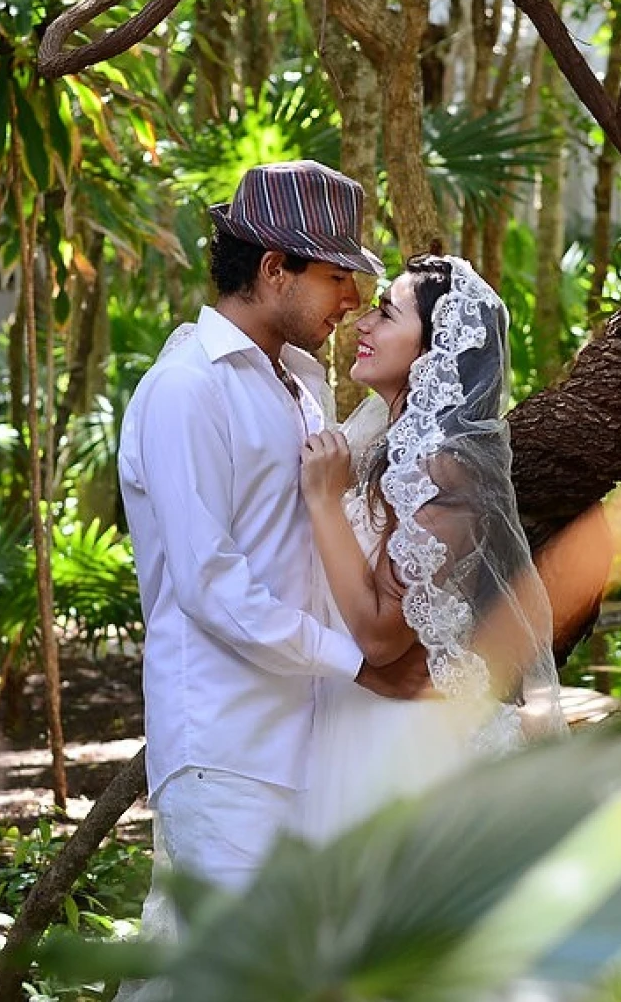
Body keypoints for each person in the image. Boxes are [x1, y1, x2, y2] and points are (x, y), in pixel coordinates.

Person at [116, 161, 430, 961]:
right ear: (272, 269)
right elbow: (209, 582)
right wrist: (359, 666)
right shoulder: (186, 390)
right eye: (336, 276)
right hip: (226, 744)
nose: (353, 300)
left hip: (307, 738)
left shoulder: (299, 385)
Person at [297, 253, 565, 841]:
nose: (363, 323)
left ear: (431, 356)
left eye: (387, 314)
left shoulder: (446, 470)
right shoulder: (374, 439)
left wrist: (323, 502)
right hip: (358, 723)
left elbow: (380, 635)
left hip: (408, 747)